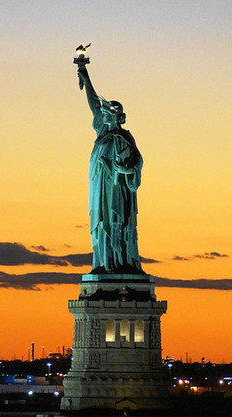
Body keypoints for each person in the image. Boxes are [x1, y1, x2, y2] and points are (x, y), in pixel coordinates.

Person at [78, 66, 144, 274]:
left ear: (115, 117)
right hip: (99, 187)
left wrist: (126, 170)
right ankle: (103, 261)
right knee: (101, 222)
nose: (102, 114)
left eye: (106, 113)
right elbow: (93, 105)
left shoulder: (124, 138)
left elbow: (138, 161)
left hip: (117, 188)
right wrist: (85, 76)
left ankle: (119, 261)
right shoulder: (101, 131)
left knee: (116, 222)